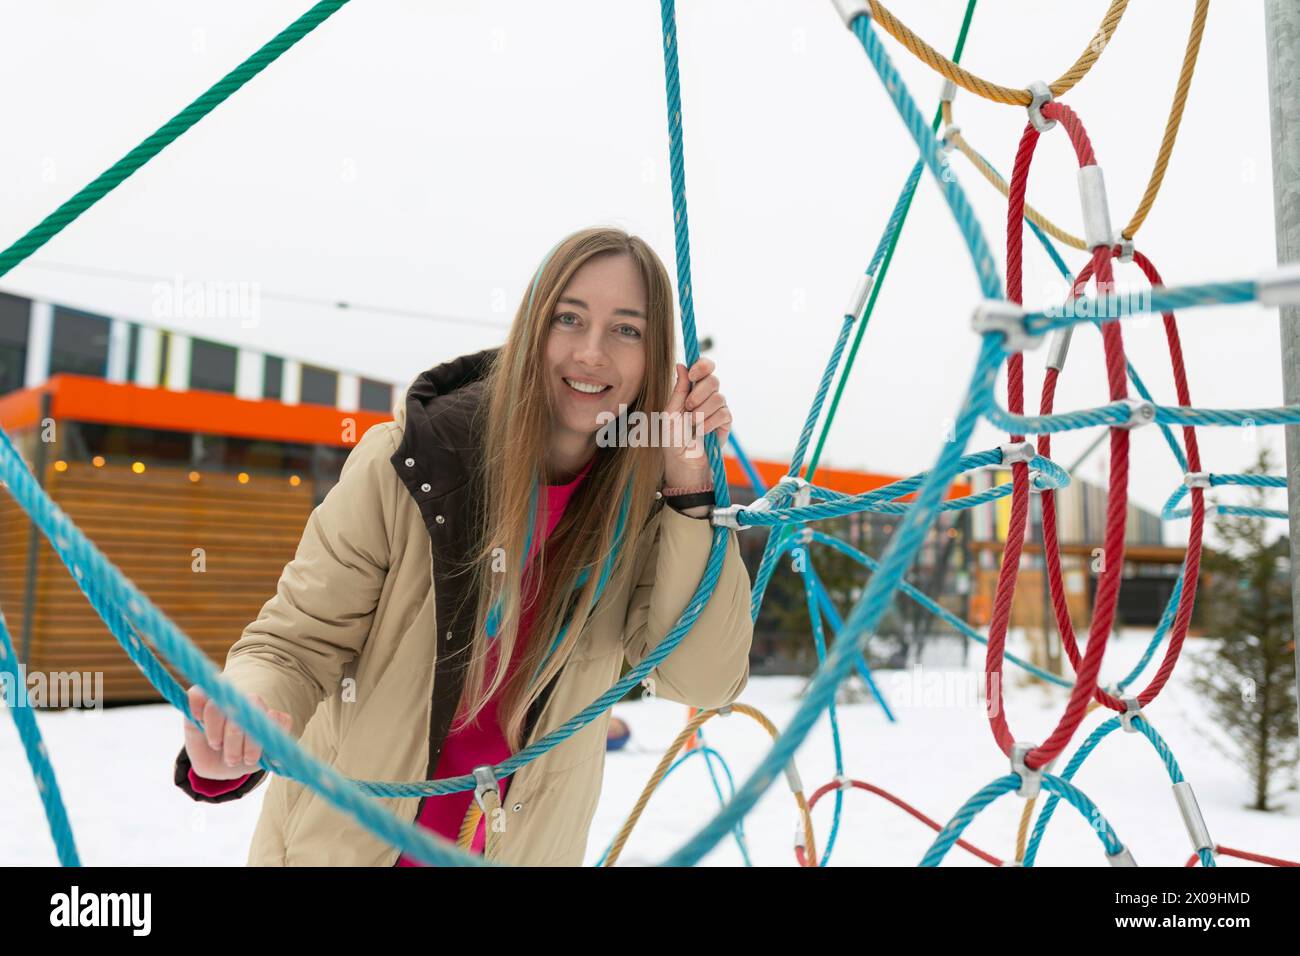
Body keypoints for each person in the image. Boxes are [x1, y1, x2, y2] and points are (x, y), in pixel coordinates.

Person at [173, 225, 754, 866]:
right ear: (532, 327)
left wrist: (688, 487)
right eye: (570, 318)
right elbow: (295, 643)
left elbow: (702, 677)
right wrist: (243, 718)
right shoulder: (409, 465)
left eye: (627, 330)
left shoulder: (645, 520)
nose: (591, 353)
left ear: (655, 364)